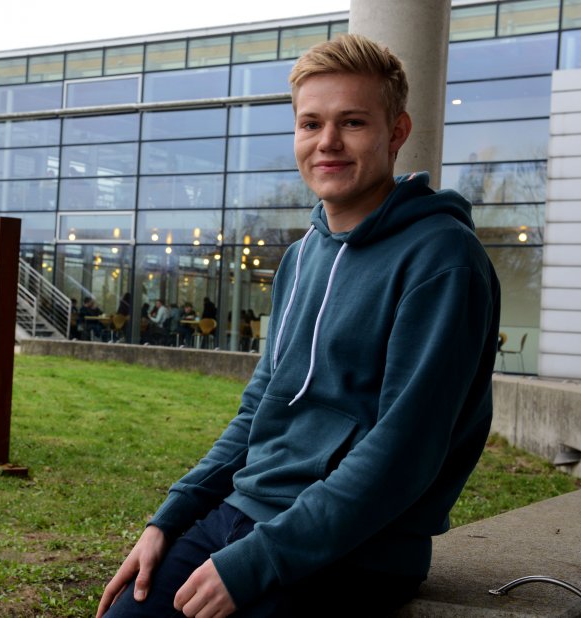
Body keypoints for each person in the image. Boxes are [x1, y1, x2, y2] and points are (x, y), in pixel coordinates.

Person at [97, 34, 500, 617]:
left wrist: (260, 561)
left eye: (353, 122)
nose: (327, 142)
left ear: (397, 132)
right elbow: (260, 408)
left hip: (355, 552)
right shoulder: (302, 254)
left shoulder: (443, 260)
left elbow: (402, 453)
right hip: (242, 516)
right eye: (310, 124)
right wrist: (171, 517)